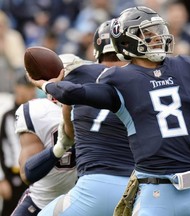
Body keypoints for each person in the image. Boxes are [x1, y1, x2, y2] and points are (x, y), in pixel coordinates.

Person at [29, 6, 190, 216]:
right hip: (157, 192)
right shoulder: (120, 80)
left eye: (157, 31)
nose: (158, 37)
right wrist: (46, 84)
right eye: (148, 34)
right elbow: (76, 93)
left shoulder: (184, 67)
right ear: (127, 41)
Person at [38, 20, 134, 216]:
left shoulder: (76, 73)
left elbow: (70, 131)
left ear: (97, 50)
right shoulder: (142, 79)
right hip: (137, 188)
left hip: (92, 186)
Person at [10, 89, 77, 215]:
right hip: (42, 201)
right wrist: (59, 148)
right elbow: (27, 173)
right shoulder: (38, 110)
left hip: (83, 198)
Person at [0, 75, 35, 216]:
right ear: (16, 87)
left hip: (33, 176)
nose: (27, 91)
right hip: (12, 176)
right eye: (24, 87)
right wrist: (1, 180)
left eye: (30, 88)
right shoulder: (7, 115)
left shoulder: (36, 113)